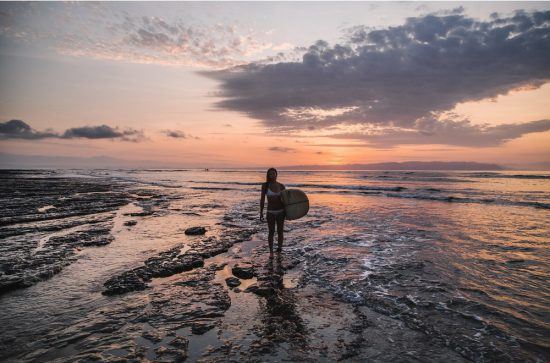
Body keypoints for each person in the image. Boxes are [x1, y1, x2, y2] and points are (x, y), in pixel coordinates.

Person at [260, 167, 286, 257]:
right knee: (271, 232)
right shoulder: (265, 185)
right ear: (268, 175)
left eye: (273, 173)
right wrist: (261, 212)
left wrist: (290, 213)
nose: (272, 175)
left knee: (280, 231)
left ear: (276, 174)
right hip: (270, 211)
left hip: (281, 211)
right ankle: (271, 252)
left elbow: (286, 201)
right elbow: (262, 199)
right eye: (270, 174)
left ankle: (279, 250)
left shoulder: (282, 186)